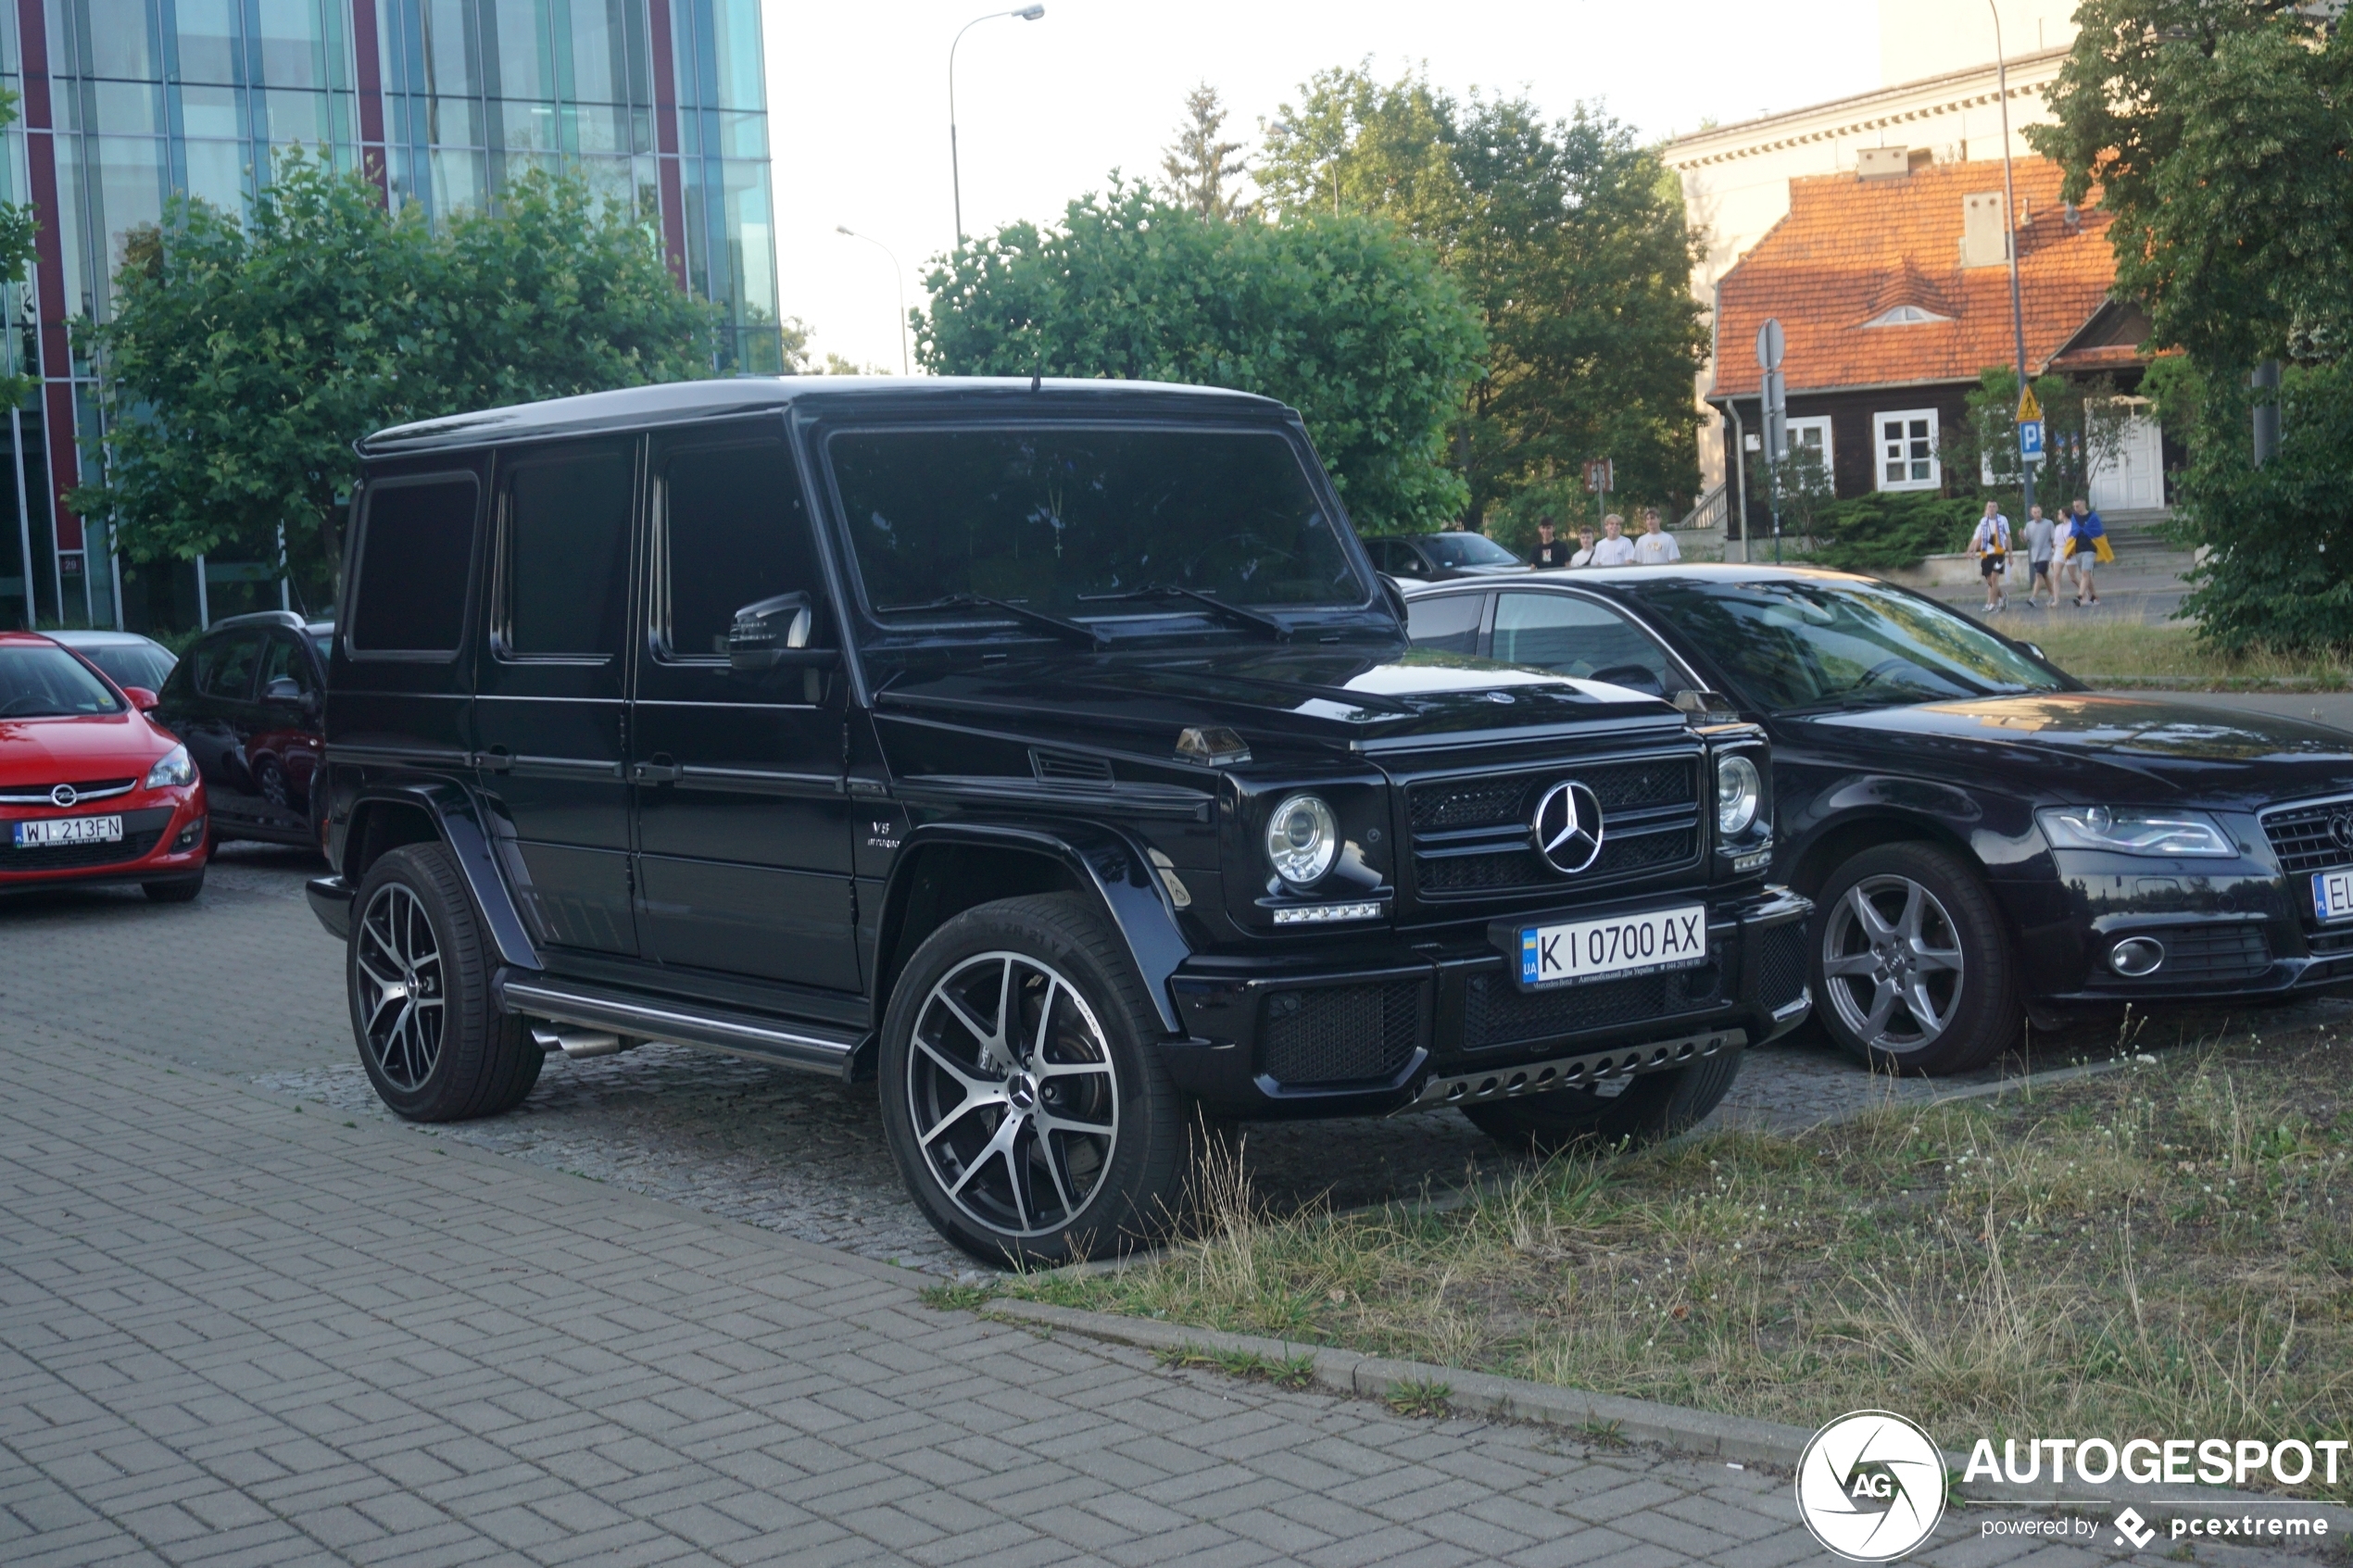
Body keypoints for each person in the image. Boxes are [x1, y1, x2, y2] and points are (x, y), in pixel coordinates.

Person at [1969, 500, 2012, 611]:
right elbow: (1980, 537)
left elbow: (2008, 537)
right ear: (1987, 508)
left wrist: (2010, 555)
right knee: (1989, 581)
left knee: (1994, 578)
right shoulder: (1983, 521)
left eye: (1994, 506)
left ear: (1997, 508)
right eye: (1989, 506)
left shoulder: (2002, 520)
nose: (1991, 508)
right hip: (1986, 553)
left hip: (1999, 552)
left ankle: (1993, 603)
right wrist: (1974, 550)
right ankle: (2002, 596)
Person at [2069, 498, 2107, 607]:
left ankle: (2079, 596)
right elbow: (2073, 532)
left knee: (2085, 573)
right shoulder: (2074, 518)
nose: (2076, 508)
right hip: (2079, 549)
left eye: (2078, 506)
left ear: (2084, 504)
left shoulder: (2093, 517)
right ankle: (2094, 596)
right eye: (2074, 506)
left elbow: (2098, 531)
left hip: (2090, 549)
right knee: (2087, 575)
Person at [2021, 504, 2057, 608]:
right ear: (2031, 514)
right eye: (2035, 512)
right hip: (2035, 555)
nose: (2037, 514)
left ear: (2041, 512)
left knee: (2038, 575)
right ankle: (2053, 595)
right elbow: (2025, 540)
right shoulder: (2029, 525)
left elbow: (2053, 539)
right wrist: (2021, 535)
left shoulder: (2048, 523)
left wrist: (2055, 553)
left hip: (2045, 554)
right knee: (2045, 576)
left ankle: (2033, 598)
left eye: (2038, 512)